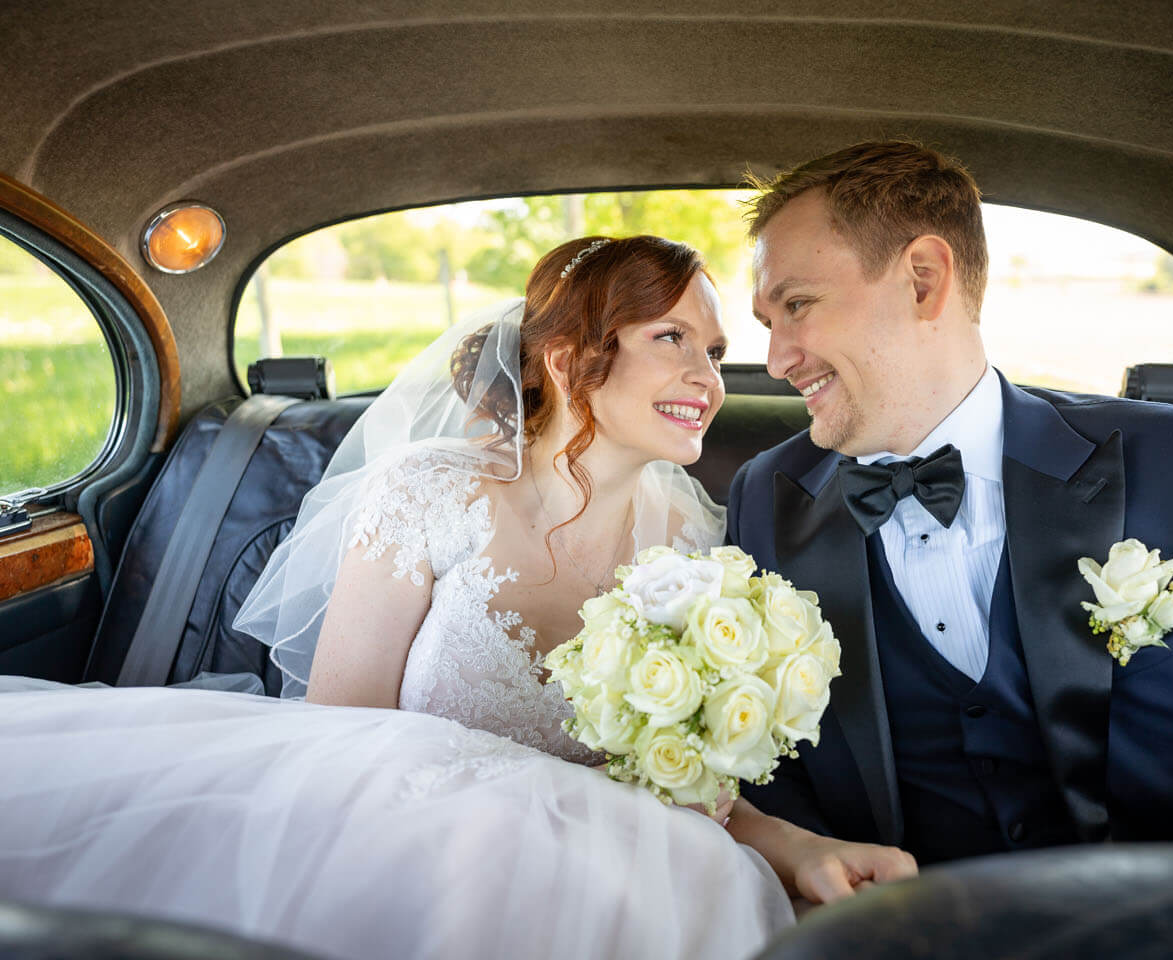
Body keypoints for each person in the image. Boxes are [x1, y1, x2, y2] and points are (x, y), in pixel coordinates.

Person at [0, 236, 795, 960]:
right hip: (398, 854)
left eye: (718, 352)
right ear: (566, 357)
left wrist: (789, 843)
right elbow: (340, 737)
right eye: (673, 338)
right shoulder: (429, 492)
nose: (708, 378)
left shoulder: (694, 538)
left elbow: (700, 783)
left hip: (608, 877)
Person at [723, 140, 1173, 898]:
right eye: (768, 320)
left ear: (924, 280)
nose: (779, 356)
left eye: (796, 305)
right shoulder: (768, 498)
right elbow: (765, 768)